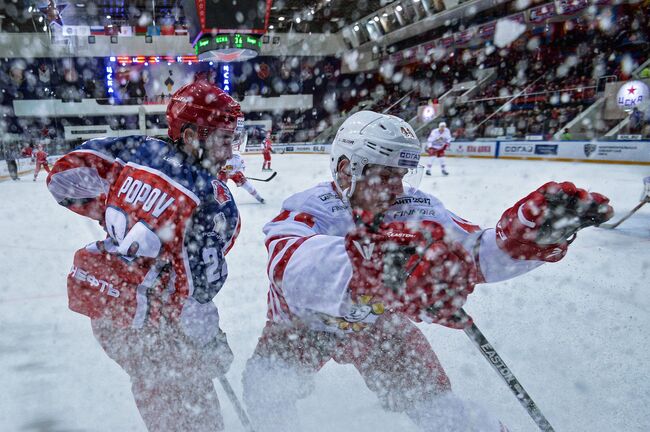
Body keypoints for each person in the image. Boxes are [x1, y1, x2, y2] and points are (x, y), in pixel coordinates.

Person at [241, 110, 613, 432]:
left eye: (402, 174)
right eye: (384, 175)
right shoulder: (311, 208)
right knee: (265, 391)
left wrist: (524, 238)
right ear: (346, 170)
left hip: (379, 330)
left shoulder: (415, 205)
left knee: (438, 408)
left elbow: (475, 255)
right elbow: (291, 266)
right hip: (300, 330)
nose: (397, 187)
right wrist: (386, 266)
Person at [46, 78, 243, 431]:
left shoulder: (137, 151)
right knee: (193, 418)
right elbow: (197, 293)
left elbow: (61, 178)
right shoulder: (210, 198)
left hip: (106, 308)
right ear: (191, 136)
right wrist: (211, 342)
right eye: (223, 140)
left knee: (159, 393)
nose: (229, 153)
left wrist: (115, 210)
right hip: (153, 325)